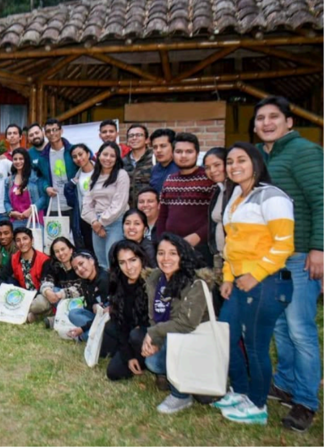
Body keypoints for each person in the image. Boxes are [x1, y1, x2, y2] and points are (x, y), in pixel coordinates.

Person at [213, 142, 295, 425]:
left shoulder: (272, 197)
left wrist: (256, 273)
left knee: (255, 345)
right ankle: (241, 390)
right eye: (230, 161)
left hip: (267, 282)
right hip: (237, 281)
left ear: (256, 163)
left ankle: (258, 405)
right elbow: (232, 246)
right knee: (226, 334)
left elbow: (285, 245)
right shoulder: (236, 196)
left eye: (241, 160)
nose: (234, 166)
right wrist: (227, 277)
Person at [254, 97, 322, 432]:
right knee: (279, 325)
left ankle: (306, 400)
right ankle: (284, 383)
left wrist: (319, 248)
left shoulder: (304, 152)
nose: (267, 123)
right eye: (261, 118)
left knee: (300, 329)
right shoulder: (258, 155)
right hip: (270, 258)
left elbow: (322, 200)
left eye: (274, 117)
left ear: (289, 122)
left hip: (299, 256)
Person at [141, 233, 214, 414]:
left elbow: (187, 324)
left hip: (193, 343)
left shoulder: (195, 282)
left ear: (182, 255)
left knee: (205, 396)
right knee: (152, 361)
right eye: (161, 253)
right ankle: (185, 384)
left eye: (173, 253)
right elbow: (154, 316)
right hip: (170, 338)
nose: (166, 259)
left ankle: (181, 396)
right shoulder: (155, 279)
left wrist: (152, 333)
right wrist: (155, 343)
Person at [156, 132, 216, 265]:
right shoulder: (169, 180)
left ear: (197, 153)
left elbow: (215, 218)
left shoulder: (209, 179)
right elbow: (163, 215)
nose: (183, 156)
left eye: (189, 152)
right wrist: (161, 241)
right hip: (172, 250)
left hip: (200, 248)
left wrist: (198, 237)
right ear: (172, 154)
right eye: (179, 151)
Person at [103, 241, 150, 382]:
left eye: (133, 260)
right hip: (129, 334)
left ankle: (153, 363)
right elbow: (120, 324)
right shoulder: (119, 284)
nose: (129, 267)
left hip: (149, 336)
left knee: (136, 335)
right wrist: (128, 356)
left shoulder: (152, 282)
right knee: (113, 372)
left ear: (142, 259)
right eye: (122, 262)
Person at [0, 227, 52, 322]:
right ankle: (27, 314)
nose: (22, 243)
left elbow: (45, 285)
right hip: (19, 296)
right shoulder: (14, 258)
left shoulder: (44, 259)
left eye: (25, 239)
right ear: (15, 243)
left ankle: (11, 311)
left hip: (36, 297)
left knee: (43, 302)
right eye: (18, 240)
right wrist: (10, 290)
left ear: (32, 240)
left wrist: (27, 297)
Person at [81, 142, 130, 270]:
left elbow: (119, 203)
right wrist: (94, 221)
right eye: (105, 154)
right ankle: (105, 289)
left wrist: (100, 222)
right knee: (101, 264)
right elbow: (87, 203)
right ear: (99, 156)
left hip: (115, 221)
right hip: (96, 222)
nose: (108, 158)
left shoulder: (121, 175)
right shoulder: (94, 176)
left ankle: (117, 290)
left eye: (112, 156)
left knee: (113, 260)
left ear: (117, 158)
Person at [65, 250, 110, 340]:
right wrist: (94, 305)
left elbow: (105, 313)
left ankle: (86, 335)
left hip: (108, 319)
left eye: (81, 264)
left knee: (99, 328)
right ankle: (91, 334)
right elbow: (90, 307)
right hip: (96, 318)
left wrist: (83, 328)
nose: (80, 269)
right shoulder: (85, 281)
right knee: (73, 313)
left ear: (91, 261)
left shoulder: (104, 279)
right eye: (76, 268)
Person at [37, 118, 77, 217]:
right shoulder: (43, 157)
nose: (52, 133)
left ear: (61, 131)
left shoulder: (73, 151)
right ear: (45, 134)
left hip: (75, 203)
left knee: (78, 232)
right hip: (54, 204)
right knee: (57, 233)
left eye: (55, 129)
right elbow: (41, 178)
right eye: (48, 131)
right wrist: (46, 187)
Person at [41, 237, 81, 328]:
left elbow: (83, 287)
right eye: (57, 251)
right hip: (63, 299)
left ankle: (56, 319)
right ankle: (60, 318)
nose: (61, 253)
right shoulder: (53, 264)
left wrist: (62, 294)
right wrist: (48, 291)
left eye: (63, 249)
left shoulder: (80, 262)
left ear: (71, 249)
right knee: (51, 291)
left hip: (81, 299)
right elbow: (46, 280)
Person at [4, 148, 45, 229]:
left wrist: (31, 210)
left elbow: (44, 197)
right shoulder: (8, 180)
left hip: (35, 221)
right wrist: (11, 212)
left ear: (26, 160)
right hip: (16, 222)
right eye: (15, 159)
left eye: (21, 159)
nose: (18, 161)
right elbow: (6, 201)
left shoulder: (36, 176)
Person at [203, 148, 227, 272]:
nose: (212, 171)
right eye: (207, 167)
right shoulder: (218, 190)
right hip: (220, 257)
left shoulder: (238, 190)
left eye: (217, 165)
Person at [70, 143, 96, 253]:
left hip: (101, 217)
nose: (78, 159)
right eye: (75, 157)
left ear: (88, 153)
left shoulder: (101, 171)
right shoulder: (77, 176)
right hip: (85, 218)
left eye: (81, 154)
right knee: (90, 249)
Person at [122, 124, 153, 207]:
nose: (134, 138)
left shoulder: (155, 159)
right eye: (131, 136)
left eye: (139, 135)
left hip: (149, 208)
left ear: (147, 140)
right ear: (128, 141)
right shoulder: (122, 162)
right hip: (128, 210)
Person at [148, 128, 178, 194]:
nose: (158, 150)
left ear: (173, 147)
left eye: (163, 146)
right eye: (155, 147)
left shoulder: (181, 168)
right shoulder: (154, 169)